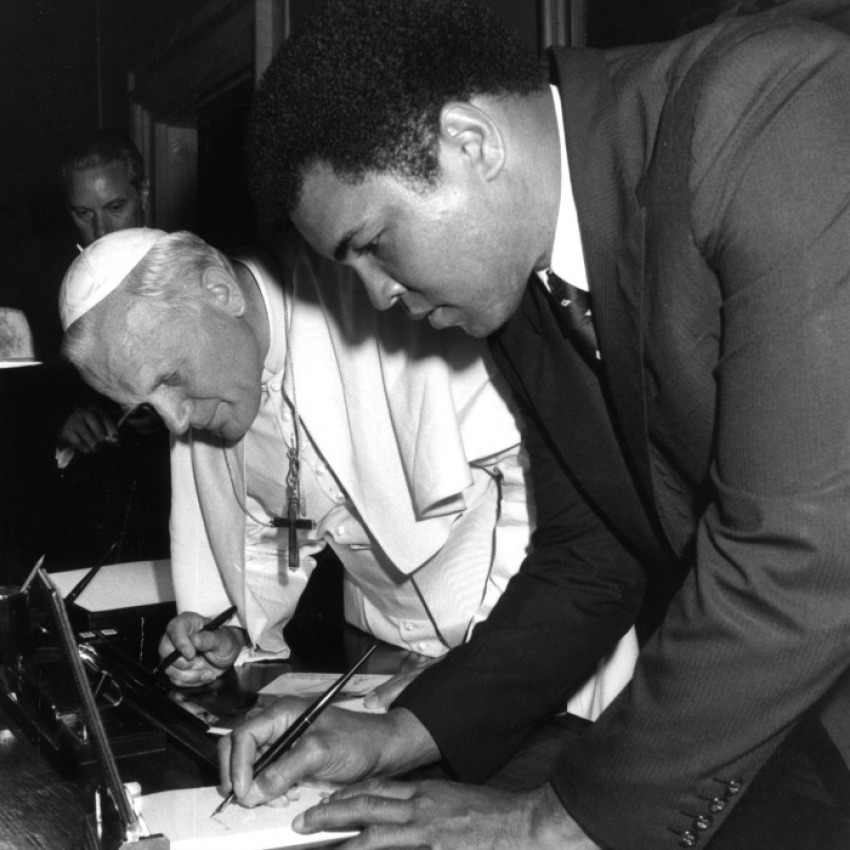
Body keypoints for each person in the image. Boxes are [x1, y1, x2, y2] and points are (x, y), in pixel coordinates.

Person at [212, 0, 850, 847]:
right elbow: (594, 560)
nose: (376, 296)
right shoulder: (516, 284)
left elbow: (806, 550)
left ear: (470, 143)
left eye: (373, 243)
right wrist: (401, 734)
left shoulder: (766, 105)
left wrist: (551, 822)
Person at [59, 227, 637, 713]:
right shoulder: (226, 389)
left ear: (219, 291)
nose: (178, 423)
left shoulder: (387, 299)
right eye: (145, 405)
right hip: (388, 659)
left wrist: (486, 657)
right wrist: (237, 629)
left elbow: (536, 479)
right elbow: (282, 532)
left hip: (536, 649)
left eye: (169, 378)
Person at [57, 129, 154, 456]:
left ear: (143, 193)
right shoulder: (62, 295)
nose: (101, 232)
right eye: (84, 214)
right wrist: (65, 421)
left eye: (115, 207)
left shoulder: (197, 272)